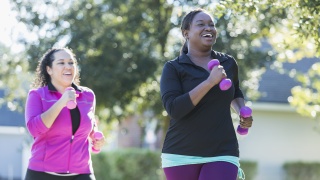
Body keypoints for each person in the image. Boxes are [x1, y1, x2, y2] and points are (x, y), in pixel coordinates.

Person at [160, 9, 253, 180]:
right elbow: (174, 109)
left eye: (211, 24)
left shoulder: (228, 63)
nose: (208, 28)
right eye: (201, 24)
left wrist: (241, 110)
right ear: (186, 33)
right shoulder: (173, 68)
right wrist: (209, 82)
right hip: (181, 154)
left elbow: (235, 91)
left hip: (223, 151)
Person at [24, 47, 105, 180]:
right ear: (49, 69)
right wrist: (61, 102)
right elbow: (34, 130)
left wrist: (97, 141)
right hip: (42, 174)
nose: (68, 66)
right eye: (61, 63)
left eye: (71, 62)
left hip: (81, 172)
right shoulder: (37, 95)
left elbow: (89, 127)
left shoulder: (88, 96)